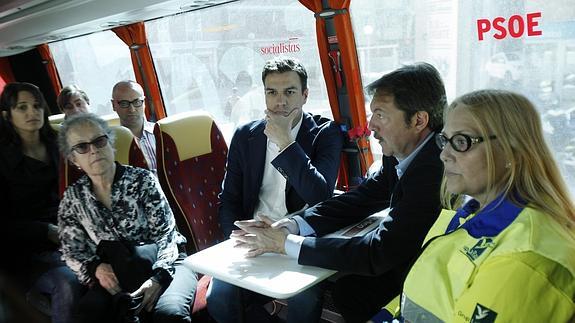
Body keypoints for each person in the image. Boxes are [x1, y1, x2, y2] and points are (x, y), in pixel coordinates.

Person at [233, 62, 447, 323]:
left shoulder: (434, 168)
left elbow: (378, 252)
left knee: (350, 290)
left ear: (418, 120)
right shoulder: (403, 151)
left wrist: (284, 244)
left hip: (429, 277)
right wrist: (292, 225)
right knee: (349, 290)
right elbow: (361, 198)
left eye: (380, 114)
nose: (370, 125)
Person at [395, 89, 575, 322]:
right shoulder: (468, 214)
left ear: (513, 152)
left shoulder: (525, 257)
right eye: (445, 140)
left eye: (461, 141)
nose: (444, 155)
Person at [206, 56, 344, 323]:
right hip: (253, 237)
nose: (280, 101)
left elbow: (321, 197)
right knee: (219, 299)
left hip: (299, 239)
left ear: (304, 95)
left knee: (304, 300)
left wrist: (285, 142)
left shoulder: (325, 133)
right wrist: (239, 235)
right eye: (272, 92)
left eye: (289, 92)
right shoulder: (246, 135)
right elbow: (230, 198)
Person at [57, 113, 197, 323]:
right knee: (87, 315)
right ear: (73, 159)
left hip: (168, 264)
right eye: (82, 147)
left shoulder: (143, 181)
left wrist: (158, 278)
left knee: (169, 314)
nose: (93, 150)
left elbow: (166, 236)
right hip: (118, 273)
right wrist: (96, 268)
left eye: (99, 141)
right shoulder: (73, 198)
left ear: (110, 143)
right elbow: (72, 251)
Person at [0, 82, 83, 323]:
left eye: (37, 106)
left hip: (73, 235)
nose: (31, 113)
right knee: (68, 281)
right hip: (28, 250)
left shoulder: (60, 143)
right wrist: (46, 231)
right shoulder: (3, 160)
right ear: (7, 115)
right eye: (22, 107)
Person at [111, 80, 156, 171]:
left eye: (137, 102)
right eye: (124, 103)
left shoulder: (161, 134)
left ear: (144, 103)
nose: (132, 109)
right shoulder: (109, 144)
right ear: (113, 105)